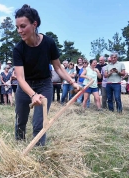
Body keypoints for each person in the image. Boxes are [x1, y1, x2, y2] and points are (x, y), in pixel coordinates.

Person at [13, 4, 79, 146]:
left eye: (23, 26)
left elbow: (58, 67)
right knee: (20, 120)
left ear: (34, 24)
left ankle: (38, 153)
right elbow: (20, 78)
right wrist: (32, 95)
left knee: (39, 123)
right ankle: (18, 149)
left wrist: (72, 82)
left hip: (44, 85)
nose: (19, 31)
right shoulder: (18, 49)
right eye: (17, 27)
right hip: (25, 87)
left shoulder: (49, 43)